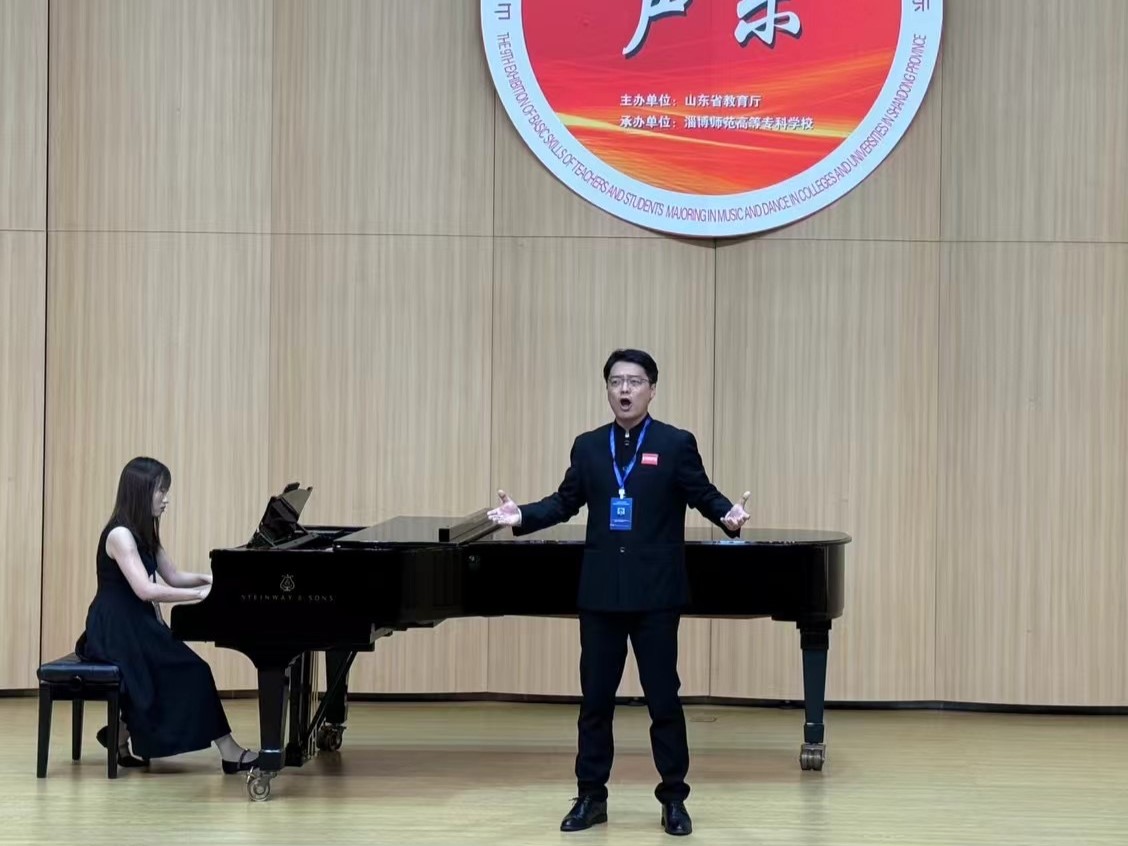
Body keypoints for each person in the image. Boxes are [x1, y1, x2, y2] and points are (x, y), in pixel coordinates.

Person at [487, 349, 750, 837]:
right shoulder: (589, 447)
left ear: (652, 389)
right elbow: (564, 502)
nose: (624, 390)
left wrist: (727, 517)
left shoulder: (674, 443)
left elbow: (703, 493)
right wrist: (522, 515)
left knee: (663, 700)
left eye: (634, 381)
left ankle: (674, 799)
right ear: (607, 390)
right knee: (595, 701)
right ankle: (591, 797)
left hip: (656, 595)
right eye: (615, 381)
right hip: (601, 594)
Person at [74, 456, 258, 773]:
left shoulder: (145, 532)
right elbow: (145, 590)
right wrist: (200, 595)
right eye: (161, 490)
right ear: (141, 491)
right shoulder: (119, 535)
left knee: (178, 672)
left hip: (137, 622)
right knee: (192, 671)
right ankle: (228, 751)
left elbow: (173, 576)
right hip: (115, 627)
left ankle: (119, 733)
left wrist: (215, 580)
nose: (166, 498)